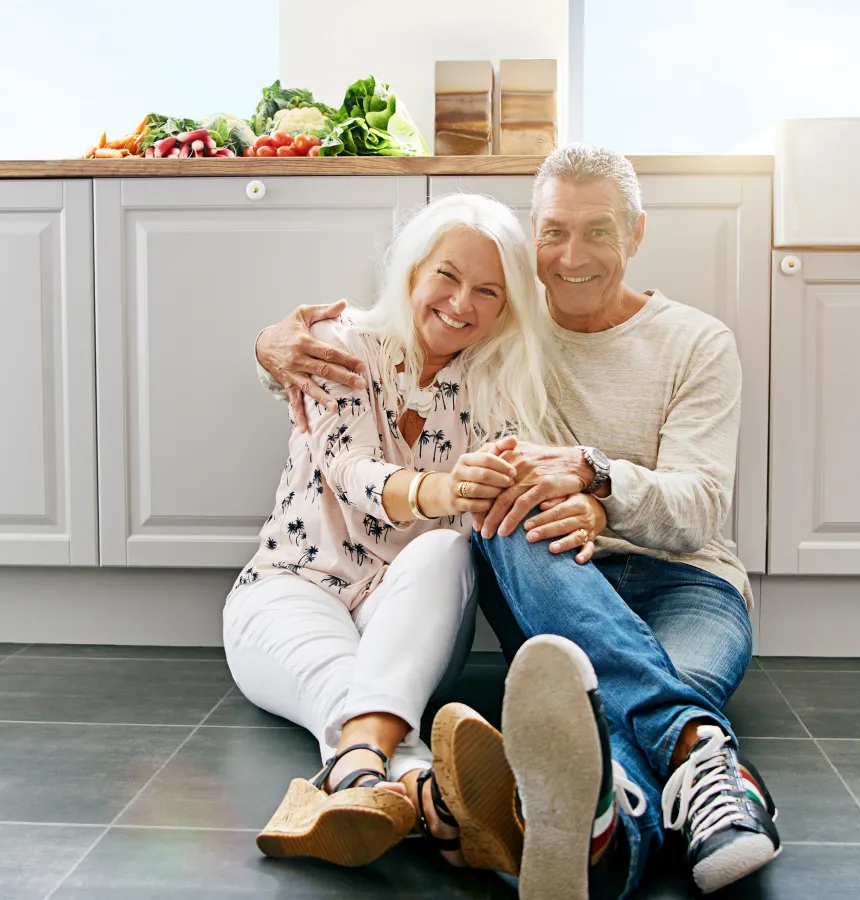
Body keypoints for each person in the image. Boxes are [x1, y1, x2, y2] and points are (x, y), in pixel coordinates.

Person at [253, 143, 781, 898]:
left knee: (637, 696)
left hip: (686, 582)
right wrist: (270, 347)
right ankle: (700, 751)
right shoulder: (495, 331)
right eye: (555, 231)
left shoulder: (696, 343)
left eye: (599, 231)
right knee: (503, 521)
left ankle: (590, 832)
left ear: (636, 234)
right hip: (555, 574)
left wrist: (597, 479)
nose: (572, 255)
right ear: (531, 237)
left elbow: (699, 509)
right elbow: (369, 365)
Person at [223, 192, 561, 869]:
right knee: (345, 680)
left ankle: (357, 780)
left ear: (507, 307)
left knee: (446, 548)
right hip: (291, 586)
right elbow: (347, 469)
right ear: (413, 270)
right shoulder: (342, 345)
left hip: (408, 607)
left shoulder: (501, 390)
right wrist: (442, 488)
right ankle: (417, 792)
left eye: (488, 291)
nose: (462, 303)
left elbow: (486, 520)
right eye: (448, 275)